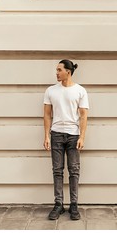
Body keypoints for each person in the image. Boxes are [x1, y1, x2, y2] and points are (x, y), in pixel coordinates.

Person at [43, 59, 89, 220]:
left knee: (74, 171)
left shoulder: (80, 91)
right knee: (57, 171)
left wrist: (82, 137)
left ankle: (74, 205)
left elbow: (83, 116)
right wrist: (46, 136)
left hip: (73, 135)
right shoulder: (50, 91)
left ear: (68, 71)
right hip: (56, 134)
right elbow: (47, 115)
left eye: (59, 70)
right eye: (56, 70)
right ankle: (58, 205)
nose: (56, 73)